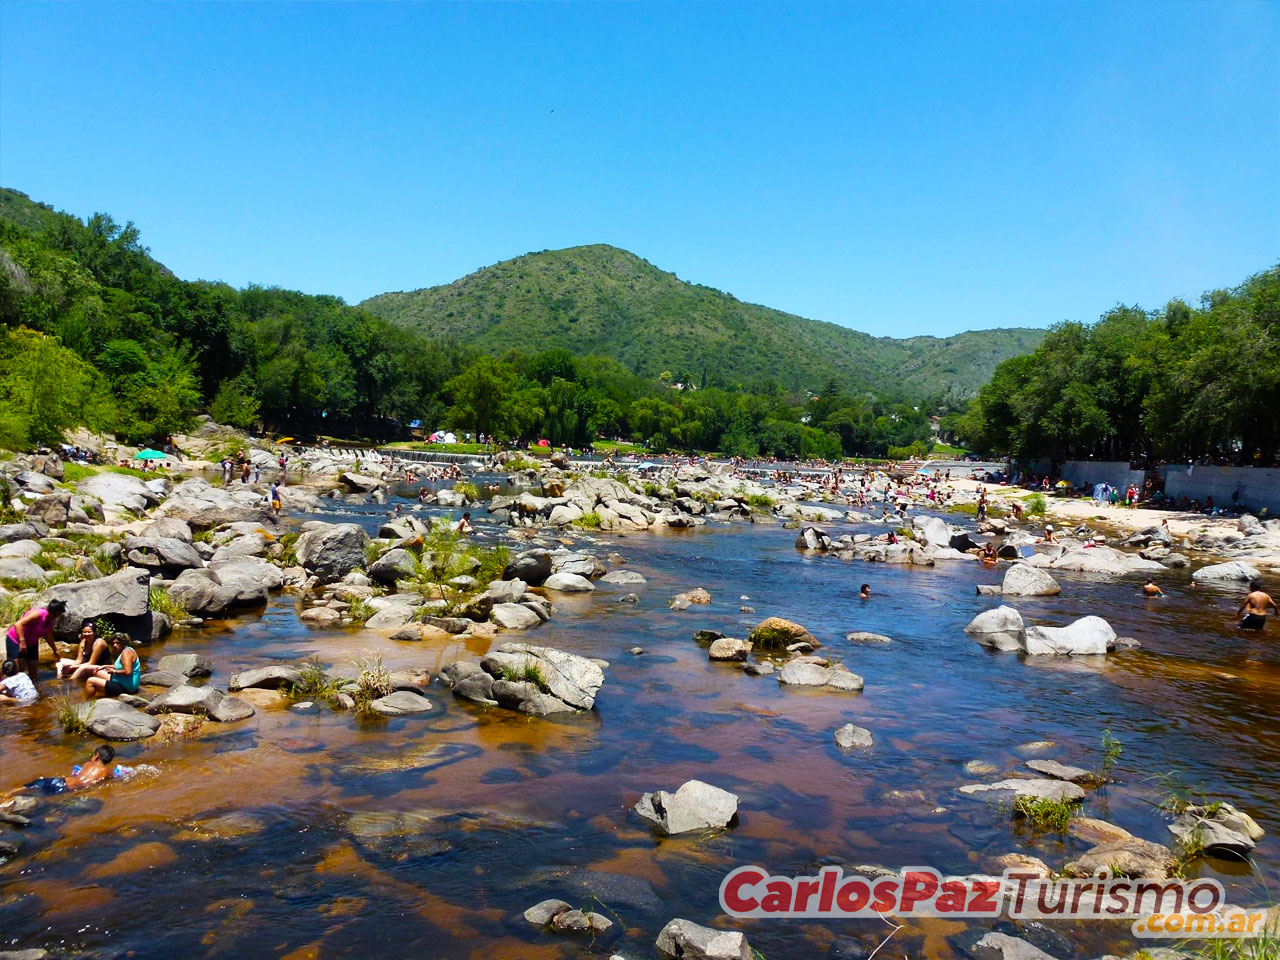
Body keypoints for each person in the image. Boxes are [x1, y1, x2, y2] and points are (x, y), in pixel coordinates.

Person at [6, 599, 66, 682]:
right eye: (59, 614)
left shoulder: (51, 620)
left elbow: (48, 635)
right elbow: (18, 624)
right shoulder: (38, 614)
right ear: (56, 613)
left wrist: (55, 650)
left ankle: (34, 690)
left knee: (33, 672)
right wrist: (22, 642)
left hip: (32, 642)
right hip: (16, 640)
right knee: (18, 668)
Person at [24, 745, 118, 795]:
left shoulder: (88, 764)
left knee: (31, 786)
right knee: (36, 794)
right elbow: (114, 777)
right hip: (66, 789)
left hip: (61, 781)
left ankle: (9, 794)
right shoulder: (106, 772)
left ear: (96, 755)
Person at [84, 633, 142, 699]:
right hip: (122, 681)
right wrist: (104, 666)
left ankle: (89, 702)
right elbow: (119, 666)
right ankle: (100, 693)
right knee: (97, 672)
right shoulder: (126, 650)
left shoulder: (126, 653)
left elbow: (128, 671)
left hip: (126, 688)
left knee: (90, 681)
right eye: (113, 643)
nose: (115, 645)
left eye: (118, 643)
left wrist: (114, 671)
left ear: (123, 643)